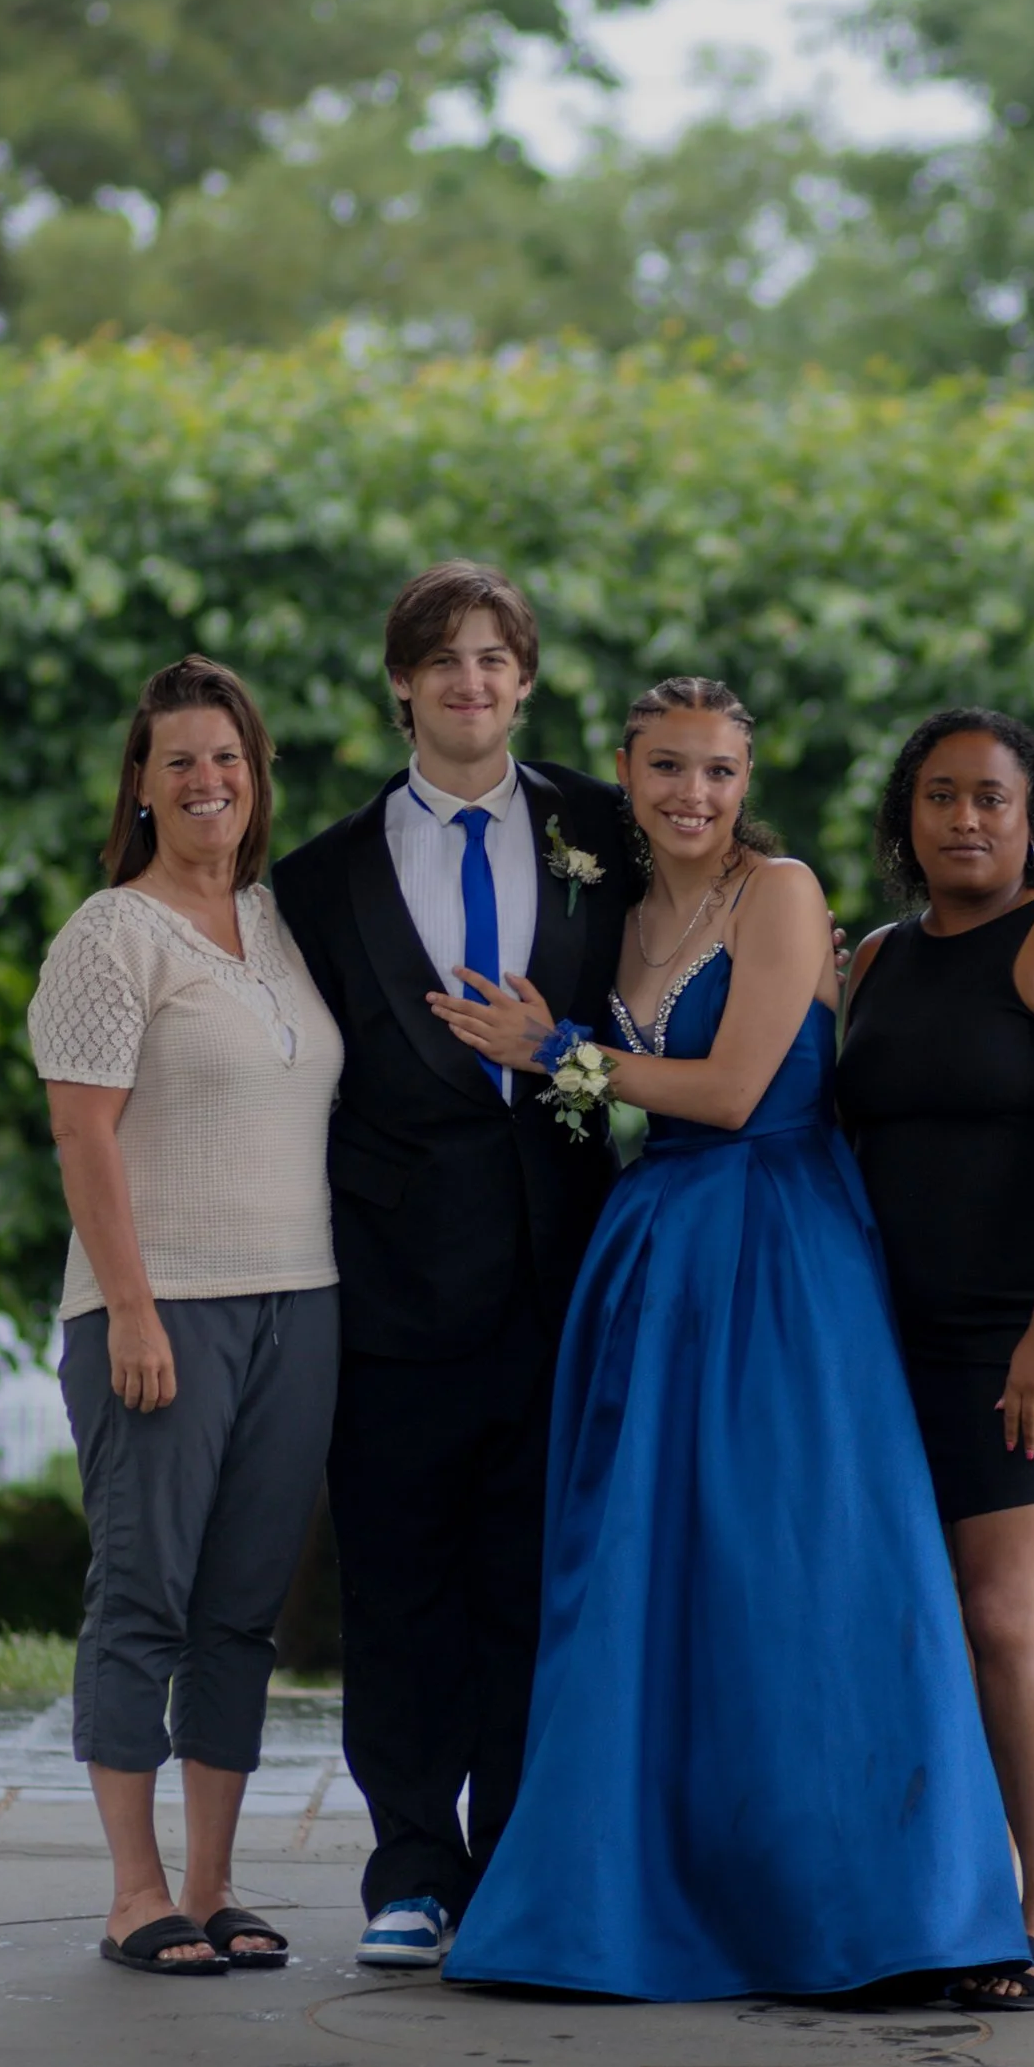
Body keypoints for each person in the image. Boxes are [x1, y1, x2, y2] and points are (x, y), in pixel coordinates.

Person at [431, 677, 1031, 2007]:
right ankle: (629, 1897)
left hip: (781, 1255)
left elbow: (737, 1086)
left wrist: (557, 1049)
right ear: (628, 776)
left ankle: (862, 1912)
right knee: (647, 1579)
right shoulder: (625, 913)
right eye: (665, 769)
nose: (692, 795)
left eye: (716, 770)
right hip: (654, 1260)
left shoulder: (785, 892)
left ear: (745, 781)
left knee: (798, 1569)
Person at [271, 563, 631, 1972]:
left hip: (569, 1280)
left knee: (536, 1584)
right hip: (394, 1289)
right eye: (443, 660)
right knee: (403, 1584)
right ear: (402, 685)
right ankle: (410, 1867)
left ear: (525, 680)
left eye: (495, 658)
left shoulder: (606, 832)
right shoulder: (322, 876)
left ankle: (520, 1862)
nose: (471, 681)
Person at [30, 655, 343, 1980]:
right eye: (181, 763)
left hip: (301, 1305)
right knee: (143, 1596)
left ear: (256, 777)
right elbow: (80, 1136)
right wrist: (136, 1308)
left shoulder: (277, 925)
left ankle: (214, 1883)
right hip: (161, 1312)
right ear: (144, 789)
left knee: (240, 1608)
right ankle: (134, 1888)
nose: (209, 781)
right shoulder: (112, 932)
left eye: (229, 758)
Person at [838, 708, 1034, 2011]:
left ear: (1033, 818)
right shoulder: (870, 962)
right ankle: (925, 1897)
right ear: (907, 817)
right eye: (942, 795)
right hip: (879, 1334)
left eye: (993, 798)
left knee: (1002, 1614)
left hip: (1021, 1334)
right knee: (905, 1620)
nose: (967, 818)